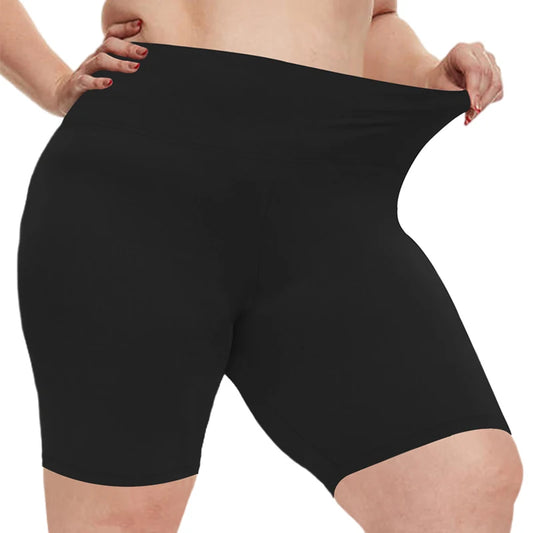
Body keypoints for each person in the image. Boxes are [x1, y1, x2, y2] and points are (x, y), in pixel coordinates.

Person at [1, 1, 523, 531]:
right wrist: (52, 84)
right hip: (138, 191)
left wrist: (428, 72)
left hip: (331, 201)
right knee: (124, 519)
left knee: (467, 482)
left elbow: (374, 19)